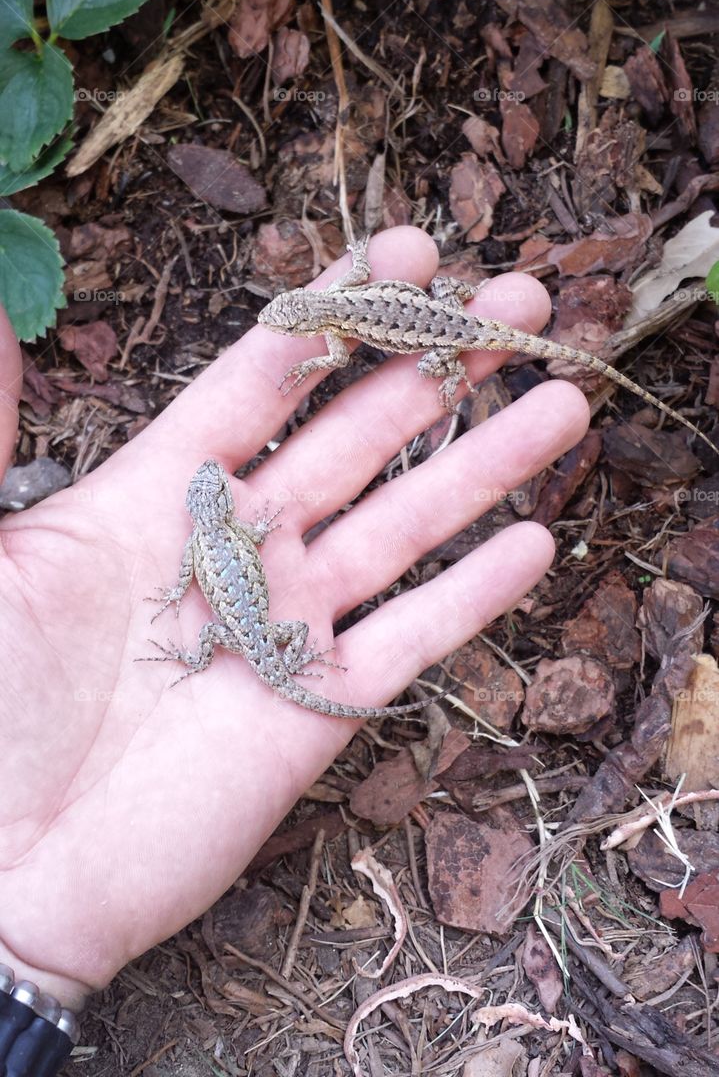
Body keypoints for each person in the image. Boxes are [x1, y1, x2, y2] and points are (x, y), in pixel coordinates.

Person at [0, 227, 588, 1033]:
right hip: (252, 619)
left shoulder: (327, 337)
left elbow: (192, 575)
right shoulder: (235, 520)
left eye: (291, 320)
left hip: (247, 624)